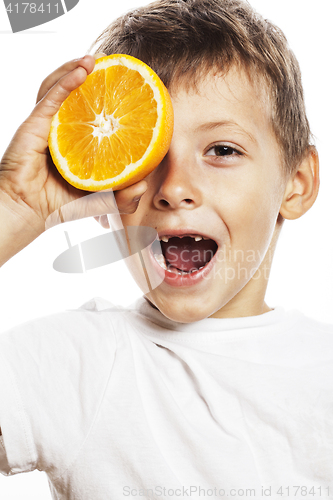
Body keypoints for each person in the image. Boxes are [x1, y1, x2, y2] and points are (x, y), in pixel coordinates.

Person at [0, 0, 332, 498]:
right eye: (146, 157)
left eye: (222, 150)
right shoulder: (75, 364)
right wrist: (15, 207)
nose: (174, 187)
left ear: (297, 182)